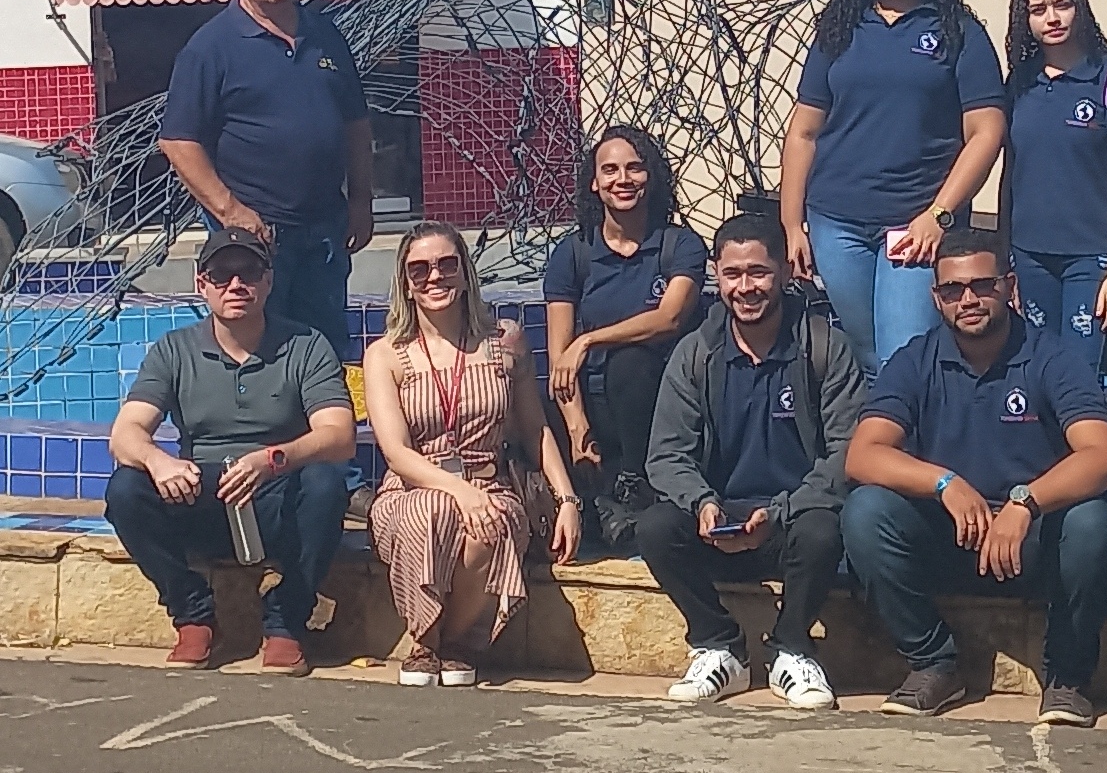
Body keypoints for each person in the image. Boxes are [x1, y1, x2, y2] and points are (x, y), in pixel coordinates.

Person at [842, 227, 1107, 725]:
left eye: (982, 285)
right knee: (866, 512)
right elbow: (863, 455)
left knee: (1089, 523)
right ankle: (934, 664)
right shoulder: (916, 359)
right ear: (936, 298)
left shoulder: (1053, 357)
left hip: (1032, 541)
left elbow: (1104, 455)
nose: (967, 299)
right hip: (952, 534)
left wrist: (1025, 503)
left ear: (1010, 286)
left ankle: (1067, 679)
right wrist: (944, 483)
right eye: (952, 290)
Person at [103, 227, 355, 673]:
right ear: (202, 284)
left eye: (249, 273)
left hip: (274, 496)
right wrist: (160, 462)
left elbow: (338, 435)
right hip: (202, 496)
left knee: (325, 483)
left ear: (269, 280)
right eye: (222, 274)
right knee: (126, 488)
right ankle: (193, 614)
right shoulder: (173, 350)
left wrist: (273, 459)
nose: (236, 285)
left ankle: (286, 623)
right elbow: (126, 434)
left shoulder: (306, 346)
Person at [640, 214, 866, 710]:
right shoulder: (695, 353)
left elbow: (847, 453)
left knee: (824, 531)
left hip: (792, 517)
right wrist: (701, 502)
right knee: (655, 528)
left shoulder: (824, 348)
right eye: (733, 274)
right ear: (717, 276)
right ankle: (719, 645)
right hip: (717, 518)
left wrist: (781, 511)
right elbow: (666, 454)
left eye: (759, 273)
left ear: (785, 272)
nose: (746, 287)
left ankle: (791, 648)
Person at [782, 0, 1006, 370]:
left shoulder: (958, 31)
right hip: (836, 221)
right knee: (863, 355)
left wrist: (939, 215)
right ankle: (873, 444)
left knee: (903, 357)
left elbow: (986, 132)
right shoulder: (838, 29)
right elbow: (803, 129)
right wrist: (790, 223)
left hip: (915, 222)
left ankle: (911, 444)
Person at [365, 223, 578, 686]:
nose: (434, 277)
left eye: (446, 264)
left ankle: (449, 641)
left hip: (491, 484)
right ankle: (426, 638)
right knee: (435, 509)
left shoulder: (505, 341)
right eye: (419, 269)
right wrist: (461, 492)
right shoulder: (385, 355)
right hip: (413, 487)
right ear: (405, 282)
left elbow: (535, 428)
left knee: (491, 522)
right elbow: (397, 453)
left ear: (465, 271)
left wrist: (566, 501)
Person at [156, 0, 374, 353]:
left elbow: (356, 123)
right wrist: (231, 211)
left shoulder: (327, 35)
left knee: (326, 350)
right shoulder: (210, 48)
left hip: (325, 230)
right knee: (261, 350)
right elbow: (178, 141)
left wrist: (363, 199)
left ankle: (328, 424)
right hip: (255, 235)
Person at [542, 125, 704, 547]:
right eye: (610, 170)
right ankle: (586, 506)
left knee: (629, 362)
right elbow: (559, 359)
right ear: (594, 183)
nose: (623, 179)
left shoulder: (679, 245)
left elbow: (669, 319)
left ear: (652, 177)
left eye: (635, 168)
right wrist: (577, 429)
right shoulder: (573, 252)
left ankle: (635, 487)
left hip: (657, 406)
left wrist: (590, 341)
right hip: (592, 406)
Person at [997, 0, 1107, 348]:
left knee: (1082, 377)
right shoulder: (1019, 84)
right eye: (1039, 10)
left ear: (1080, 7)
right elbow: (1011, 175)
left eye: (1063, 5)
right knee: (1037, 370)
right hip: (1029, 258)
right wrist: (1004, 260)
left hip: (1091, 257)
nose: (1053, 18)